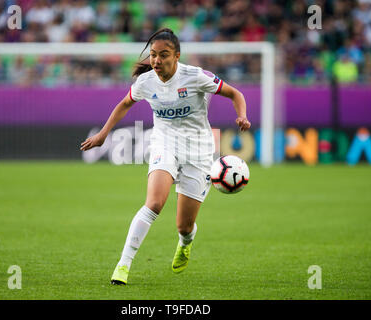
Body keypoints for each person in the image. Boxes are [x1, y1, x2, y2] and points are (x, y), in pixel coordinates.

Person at [80, 28, 251, 285]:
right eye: (153, 56)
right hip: (164, 144)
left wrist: (242, 115)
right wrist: (104, 133)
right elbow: (124, 104)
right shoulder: (146, 82)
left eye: (163, 55)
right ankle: (123, 265)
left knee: (184, 225)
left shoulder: (196, 76)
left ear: (177, 56)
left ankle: (185, 242)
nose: (157, 61)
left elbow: (235, 94)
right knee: (154, 203)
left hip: (199, 151)